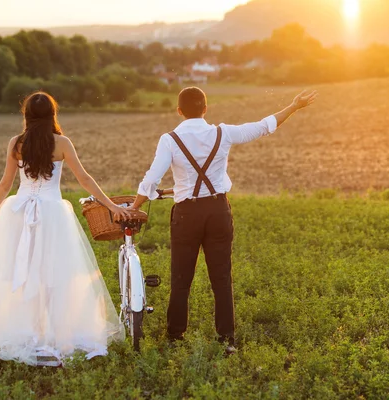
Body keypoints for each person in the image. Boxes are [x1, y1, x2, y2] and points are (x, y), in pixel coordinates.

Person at [129, 87, 318, 353]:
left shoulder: (169, 140)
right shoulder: (223, 132)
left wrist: (134, 206)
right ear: (206, 109)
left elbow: (152, 179)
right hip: (219, 211)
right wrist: (294, 106)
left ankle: (175, 336)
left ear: (179, 111)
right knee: (221, 277)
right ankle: (227, 339)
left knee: (181, 277)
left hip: (187, 215)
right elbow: (263, 126)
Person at [0, 92, 130, 366]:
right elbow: (84, 178)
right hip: (53, 214)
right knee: (54, 275)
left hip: (19, 213)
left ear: (26, 115)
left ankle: (33, 333)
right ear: (53, 114)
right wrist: (111, 206)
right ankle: (49, 335)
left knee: (25, 274)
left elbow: (6, 184)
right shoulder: (62, 143)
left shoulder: (16, 144)